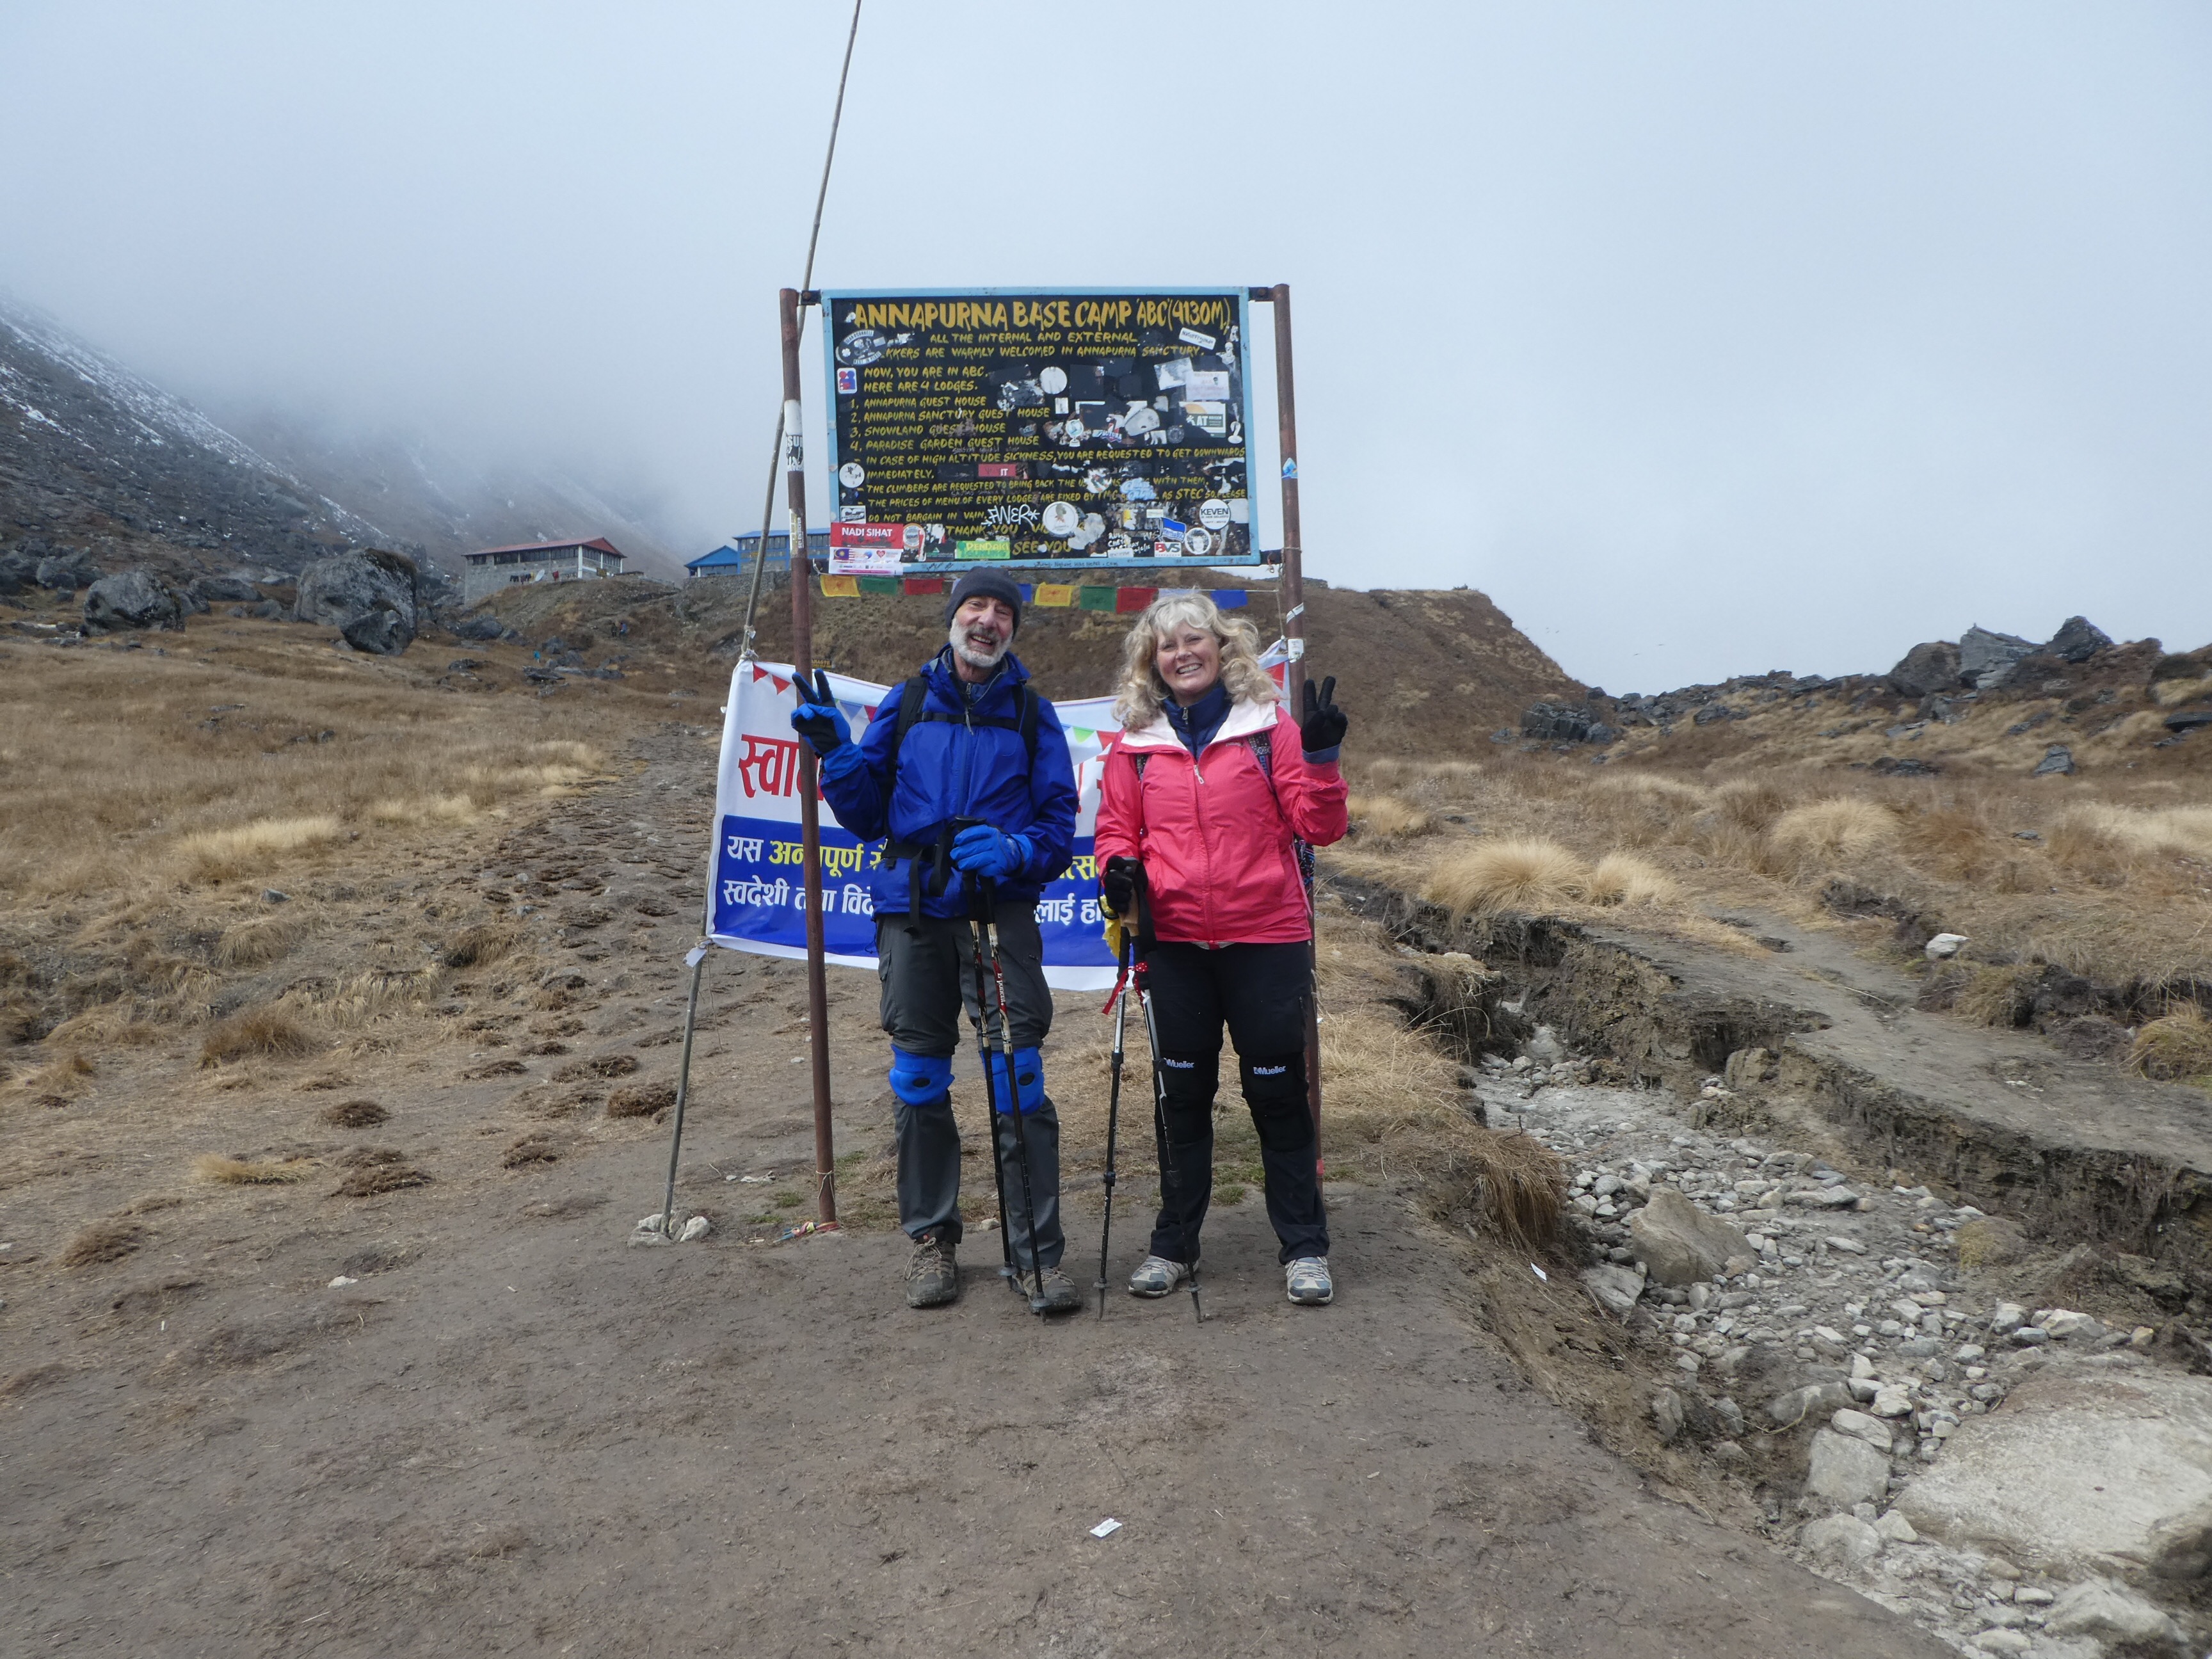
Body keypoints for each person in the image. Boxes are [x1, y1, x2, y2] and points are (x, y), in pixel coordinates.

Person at [789, 568, 1082, 1313]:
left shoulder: (1033, 714)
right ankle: (931, 1240)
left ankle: (1036, 1256)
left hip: (998, 913)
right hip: (913, 914)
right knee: (919, 1080)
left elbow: (1057, 827)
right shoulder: (910, 700)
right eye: (975, 606)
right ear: (953, 618)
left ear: (1013, 629)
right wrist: (839, 755)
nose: (987, 620)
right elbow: (866, 814)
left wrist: (1016, 851)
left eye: (1002, 612)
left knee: (1018, 1081)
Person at [1093, 592, 1349, 1306]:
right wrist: (1116, 870)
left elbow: (1319, 827)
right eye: (1168, 645)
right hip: (1175, 945)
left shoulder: (1268, 728)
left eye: (1195, 639)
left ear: (1222, 646)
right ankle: (1173, 1245)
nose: (1183, 654)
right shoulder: (1135, 745)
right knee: (1181, 1099)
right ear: (1152, 662)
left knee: (1277, 1092)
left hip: (1266, 938)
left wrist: (1322, 760)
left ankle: (1305, 1248)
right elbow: (1116, 831)